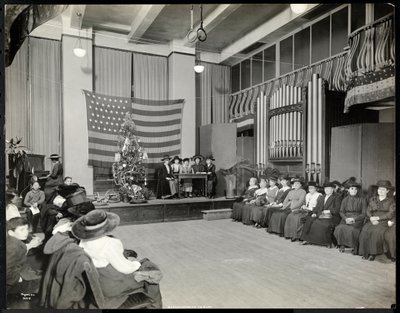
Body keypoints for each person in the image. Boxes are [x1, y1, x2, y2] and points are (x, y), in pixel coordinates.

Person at [71, 210, 163, 308]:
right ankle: (155, 305)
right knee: (151, 272)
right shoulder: (109, 243)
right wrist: (135, 263)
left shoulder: (82, 242)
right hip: (114, 286)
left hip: (99, 283)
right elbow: (126, 269)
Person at [358, 180, 395, 261]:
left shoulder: (391, 201)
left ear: (387, 191)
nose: (380, 191)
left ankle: (373, 253)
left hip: (383, 221)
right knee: (365, 230)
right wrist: (371, 217)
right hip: (372, 219)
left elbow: (390, 213)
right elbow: (368, 210)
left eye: (383, 189)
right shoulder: (373, 199)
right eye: (379, 189)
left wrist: (379, 218)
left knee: (375, 232)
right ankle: (364, 252)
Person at [6, 217, 43, 296]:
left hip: (20, 269)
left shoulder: (13, 240)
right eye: (22, 230)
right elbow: (5, 270)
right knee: (43, 283)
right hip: (13, 280)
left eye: (27, 229)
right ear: (11, 232)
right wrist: (18, 279)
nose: (26, 232)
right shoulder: (13, 247)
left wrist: (30, 244)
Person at [300, 181, 342, 247]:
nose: (327, 190)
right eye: (325, 188)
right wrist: (314, 213)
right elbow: (317, 207)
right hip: (321, 215)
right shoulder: (322, 197)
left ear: (332, 189)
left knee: (323, 224)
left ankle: (326, 242)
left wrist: (328, 211)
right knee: (310, 220)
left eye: (328, 188)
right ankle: (308, 239)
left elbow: (337, 209)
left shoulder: (337, 197)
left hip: (332, 216)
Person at [333, 181, 366, 254]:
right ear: (348, 190)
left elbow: (364, 213)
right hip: (346, 218)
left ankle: (354, 246)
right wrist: (345, 218)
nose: (354, 191)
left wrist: (355, 219)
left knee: (352, 230)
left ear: (357, 191)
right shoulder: (345, 200)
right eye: (352, 189)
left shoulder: (362, 200)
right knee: (339, 228)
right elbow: (341, 211)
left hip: (357, 219)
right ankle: (342, 244)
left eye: (355, 189)